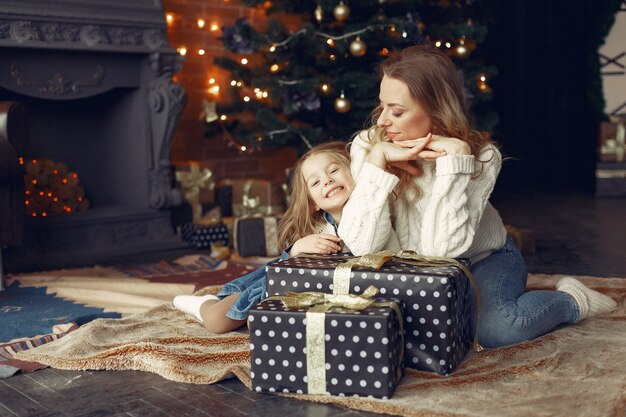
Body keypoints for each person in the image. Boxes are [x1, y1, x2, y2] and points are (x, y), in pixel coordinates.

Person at [338, 44, 617, 348]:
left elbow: (440, 251)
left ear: (436, 108)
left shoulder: (482, 157)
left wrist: (454, 162)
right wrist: (378, 162)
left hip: (485, 259)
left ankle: (572, 300)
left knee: (499, 330)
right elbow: (362, 245)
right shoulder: (369, 146)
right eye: (382, 106)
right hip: (417, 273)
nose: (382, 122)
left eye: (398, 111)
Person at [172, 141, 400, 333]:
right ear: (313, 203)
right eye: (316, 182)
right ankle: (203, 304)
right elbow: (288, 270)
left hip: (340, 299)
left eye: (333, 171)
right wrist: (297, 249)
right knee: (218, 322)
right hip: (288, 286)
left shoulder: (375, 209)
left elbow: (367, 245)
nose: (327, 180)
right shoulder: (320, 228)